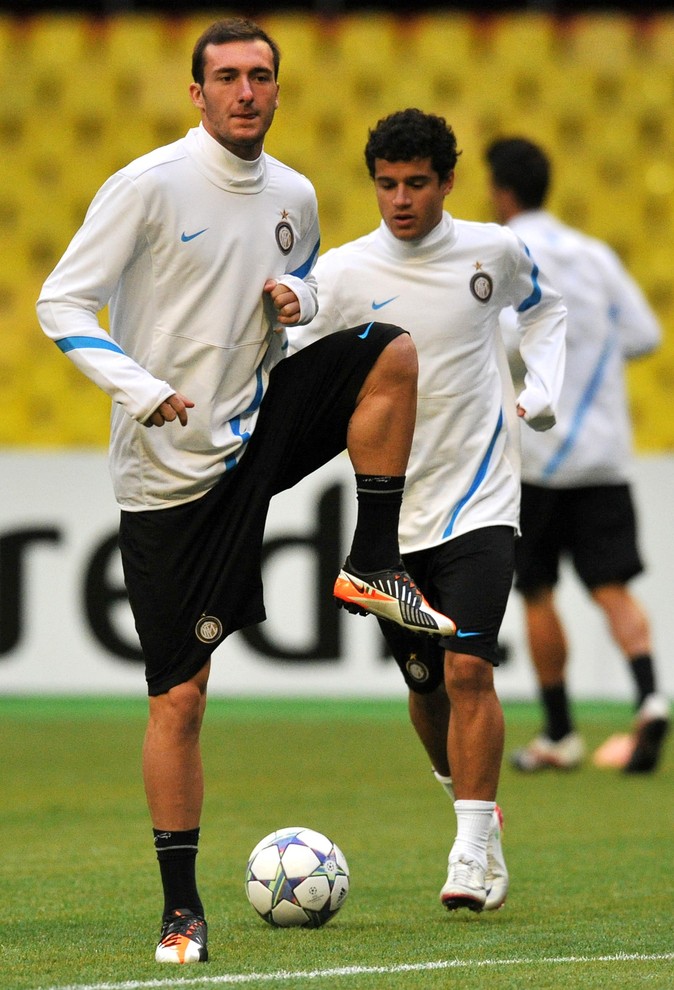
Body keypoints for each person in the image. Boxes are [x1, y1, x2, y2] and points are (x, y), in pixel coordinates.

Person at [36, 21, 455, 965]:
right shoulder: (148, 185)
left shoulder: (295, 195)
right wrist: (140, 388)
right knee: (180, 700)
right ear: (197, 94)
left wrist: (306, 304)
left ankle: (373, 561)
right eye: (226, 76)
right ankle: (181, 909)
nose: (245, 91)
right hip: (170, 467)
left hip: (256, 428)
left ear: (277, 88)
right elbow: (60, 301)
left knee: (388, 351)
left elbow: (293, 302)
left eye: (260, 75)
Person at [289, 108, 567, 912]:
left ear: (446, 182)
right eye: (387, 185)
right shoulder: (345, 273)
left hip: (483, 500)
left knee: (469, 667)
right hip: (395, 518)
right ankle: (473, 810)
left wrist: (541, 388)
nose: (401, 199)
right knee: (425, 686)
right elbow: (298, 360)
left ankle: (471, 853)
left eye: (417, 183)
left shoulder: (493, 251)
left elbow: (545, 309)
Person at [485, 136, 670, 774]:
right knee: (613, 588)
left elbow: (503, 341)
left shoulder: (506, 254)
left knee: (537, 592)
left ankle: (560, 733)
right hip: (602, 455)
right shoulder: (595, 256)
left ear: (501, 192)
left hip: (537, 458)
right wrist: (592, 354)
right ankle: (650, 699)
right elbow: (645, 334)